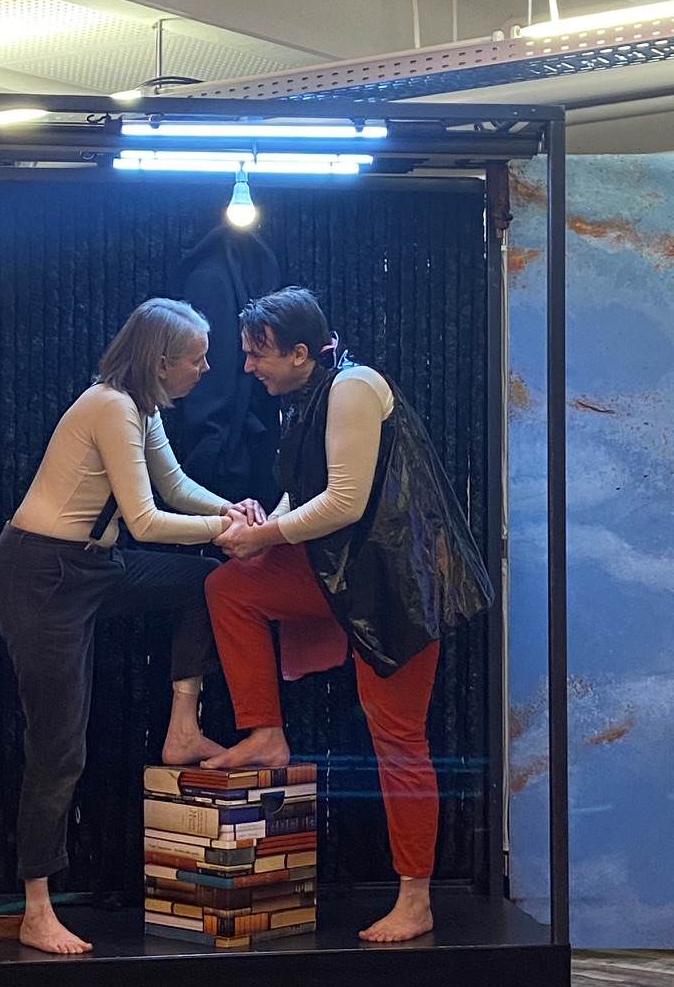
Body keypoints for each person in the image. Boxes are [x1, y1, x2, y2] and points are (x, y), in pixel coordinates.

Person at [203, 287, 493, 943]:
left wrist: (263, 537)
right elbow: (304, 494)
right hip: (340, 577)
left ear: (299, 353)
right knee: (231, 588)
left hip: (394, 588)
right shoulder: (307, 396)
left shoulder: (354, 388)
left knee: (398, 740)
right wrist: (264, 529)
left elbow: (344, 503)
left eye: (256, 354)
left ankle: (415, 899)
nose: (246, 367)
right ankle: (265, 732)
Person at [0, 297, 264, 956]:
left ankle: (182, 728)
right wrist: (224, 531)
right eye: (197, 359)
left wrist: (233, 512)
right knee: (59, 746)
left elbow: (175, 486)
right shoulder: (110, 405)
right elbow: (145, 521)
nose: (207, 369)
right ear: (161, 363)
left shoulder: (142, 406)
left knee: (208, 583)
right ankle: (36, 908)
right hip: (42, 574)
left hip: (94, 566)